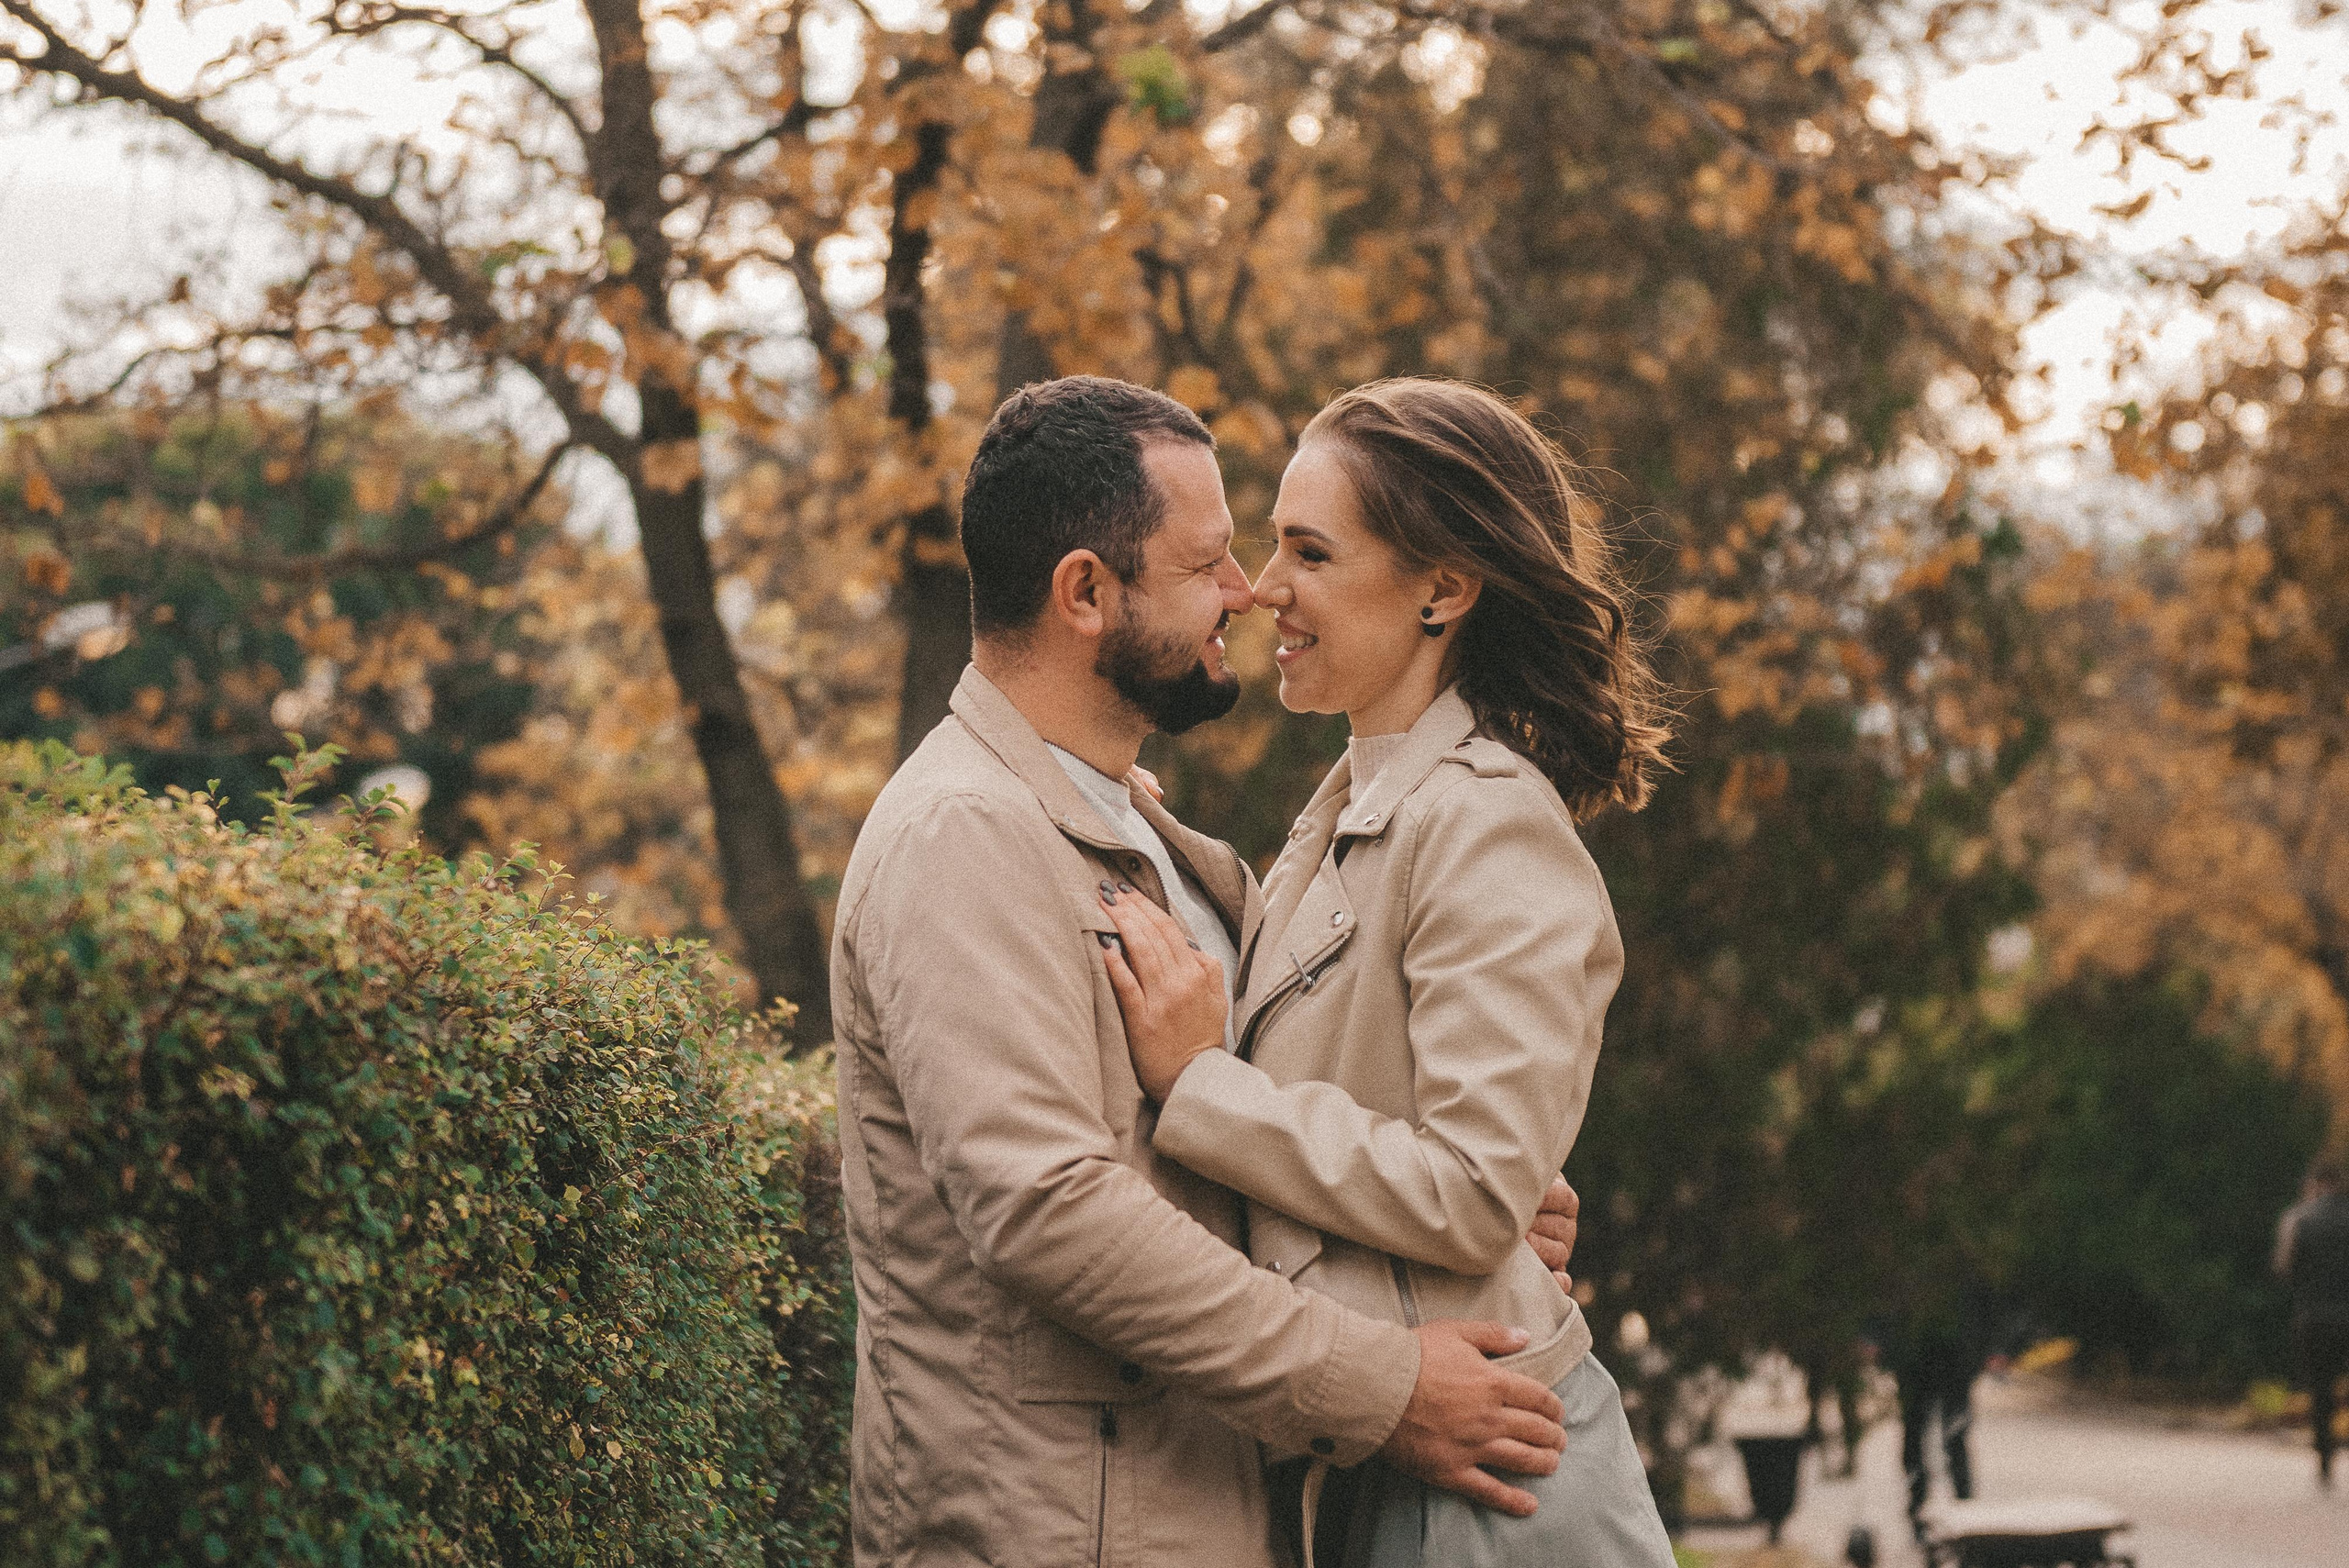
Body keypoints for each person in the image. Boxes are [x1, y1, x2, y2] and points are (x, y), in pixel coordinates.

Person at [830, 375, 1586, 1567]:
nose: (1248, 592)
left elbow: (1212, 1152)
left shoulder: (1162, 849)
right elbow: (1047, 1204)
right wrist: (1384, 1383)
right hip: (1048, 1533)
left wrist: (1443, 1235)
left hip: (1203, 1519)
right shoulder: (962, 833)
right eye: (1210, 563)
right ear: (1087, 592)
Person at [1097, 378, 1678, 1567]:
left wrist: (1203, 1086)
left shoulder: (1487, 824)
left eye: (1310, 551)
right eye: (1271, 545)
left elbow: (1472, 1187)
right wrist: (1111, 803)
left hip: (1497, 1485)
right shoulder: (1354, 810)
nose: (1264, 588)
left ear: (1444, 589)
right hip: (1398, 1462)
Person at [2275, 1157, 2349, 1487]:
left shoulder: (2298, 1218)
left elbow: (2283, 1265)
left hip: (2314, 1316)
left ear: (2314, 1185)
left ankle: (2325, 1461)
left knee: (2321, 1389)